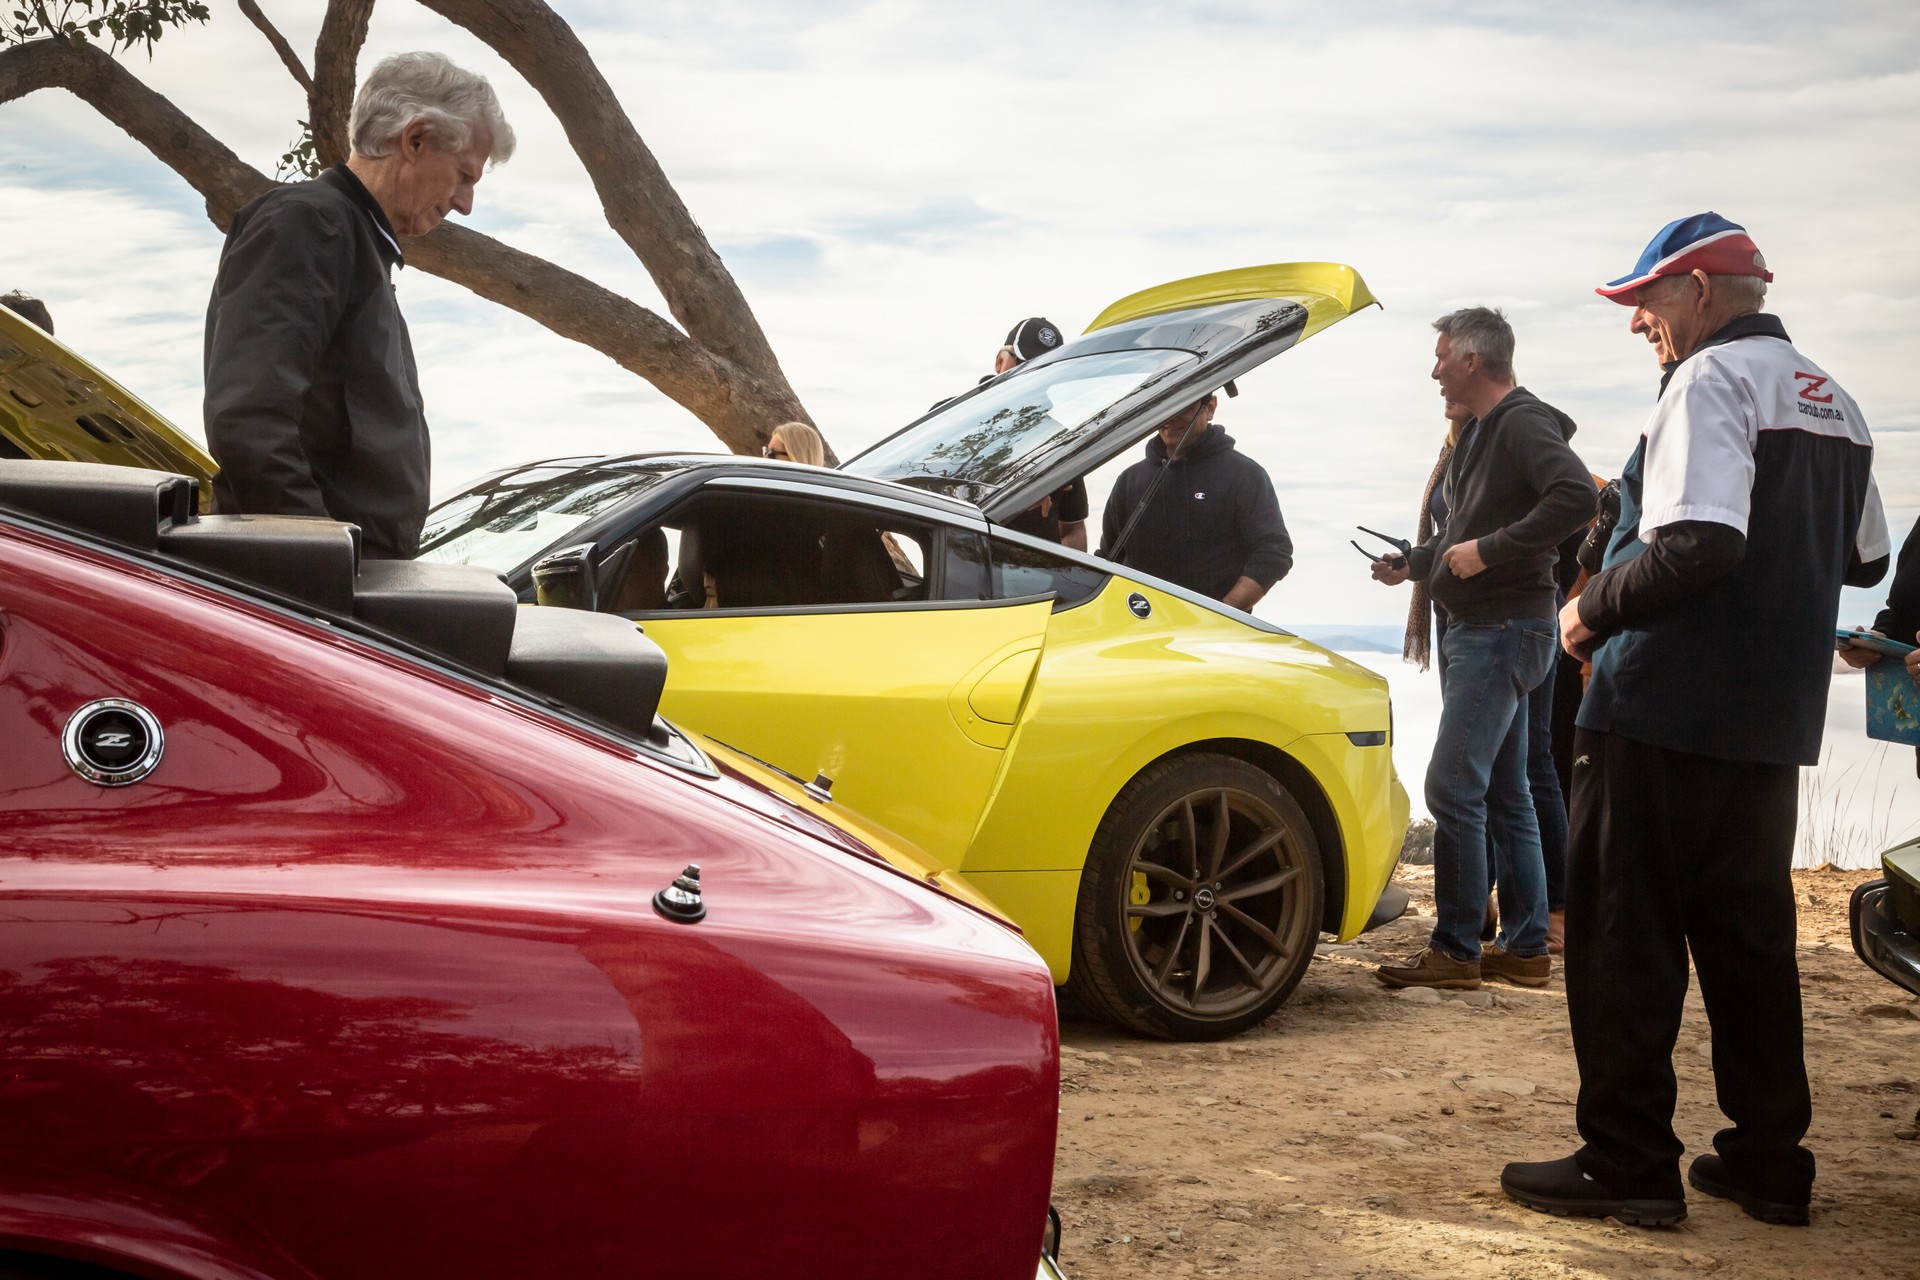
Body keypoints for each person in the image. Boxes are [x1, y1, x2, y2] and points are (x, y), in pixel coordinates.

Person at [1502, 213, 1889, 1228]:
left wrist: (1587, 610)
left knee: (1626, 936)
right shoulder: (1834, 400)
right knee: (1747, 938)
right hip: (1771, 718)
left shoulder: (1709, 382)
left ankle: (1626, 1159)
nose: (1638, 324)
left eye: (1647, 301)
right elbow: (1866, 558)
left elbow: (1702, 543)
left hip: (1659, 705)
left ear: (1703, 290)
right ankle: (1770, 1157)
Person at [203, 52, 515, 559]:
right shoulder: (308, 224)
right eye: (464, 176)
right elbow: (249, 422)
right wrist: (327, 568)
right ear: (415, 140)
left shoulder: (355, 238)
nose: (465, 204)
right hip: (306, 594)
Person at [1370, 307, 1594, 992]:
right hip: (1507, 628)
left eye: (1442, 357)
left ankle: (1456, 950)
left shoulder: (1521, 421)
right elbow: (1467, 535)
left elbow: (1578, 496)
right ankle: (1525, 949)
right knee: (1506, 789)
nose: (1435, 370)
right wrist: (1414, 562)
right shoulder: (1479, 435)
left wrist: (1490, 552)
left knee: (1452, 786)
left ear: (1473, 359)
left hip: (1499, 633)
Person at [1097, 392, 1291, 609]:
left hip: (1210, 637)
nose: (1170, 418)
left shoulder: (1245, 474)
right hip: (1135, 628)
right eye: (1162, 407)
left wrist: (1222, 612)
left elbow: (1274, 554)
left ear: (1210, 407)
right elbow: (1106, 559)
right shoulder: (1129, 480)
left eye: (1182, 405)